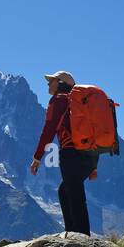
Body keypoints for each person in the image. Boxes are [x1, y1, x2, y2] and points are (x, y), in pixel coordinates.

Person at [29, 70, 97, 234]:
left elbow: (49, 129)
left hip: (71, 153)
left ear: (60, 84)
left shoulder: (59, 100)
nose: (48, 83)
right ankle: (73, 233)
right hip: (91, 155)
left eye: (51, 80)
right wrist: (93, 167)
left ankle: (81, 238)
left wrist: (37, 157)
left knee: (74, 195)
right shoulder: (81, 103)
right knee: (66, 191)